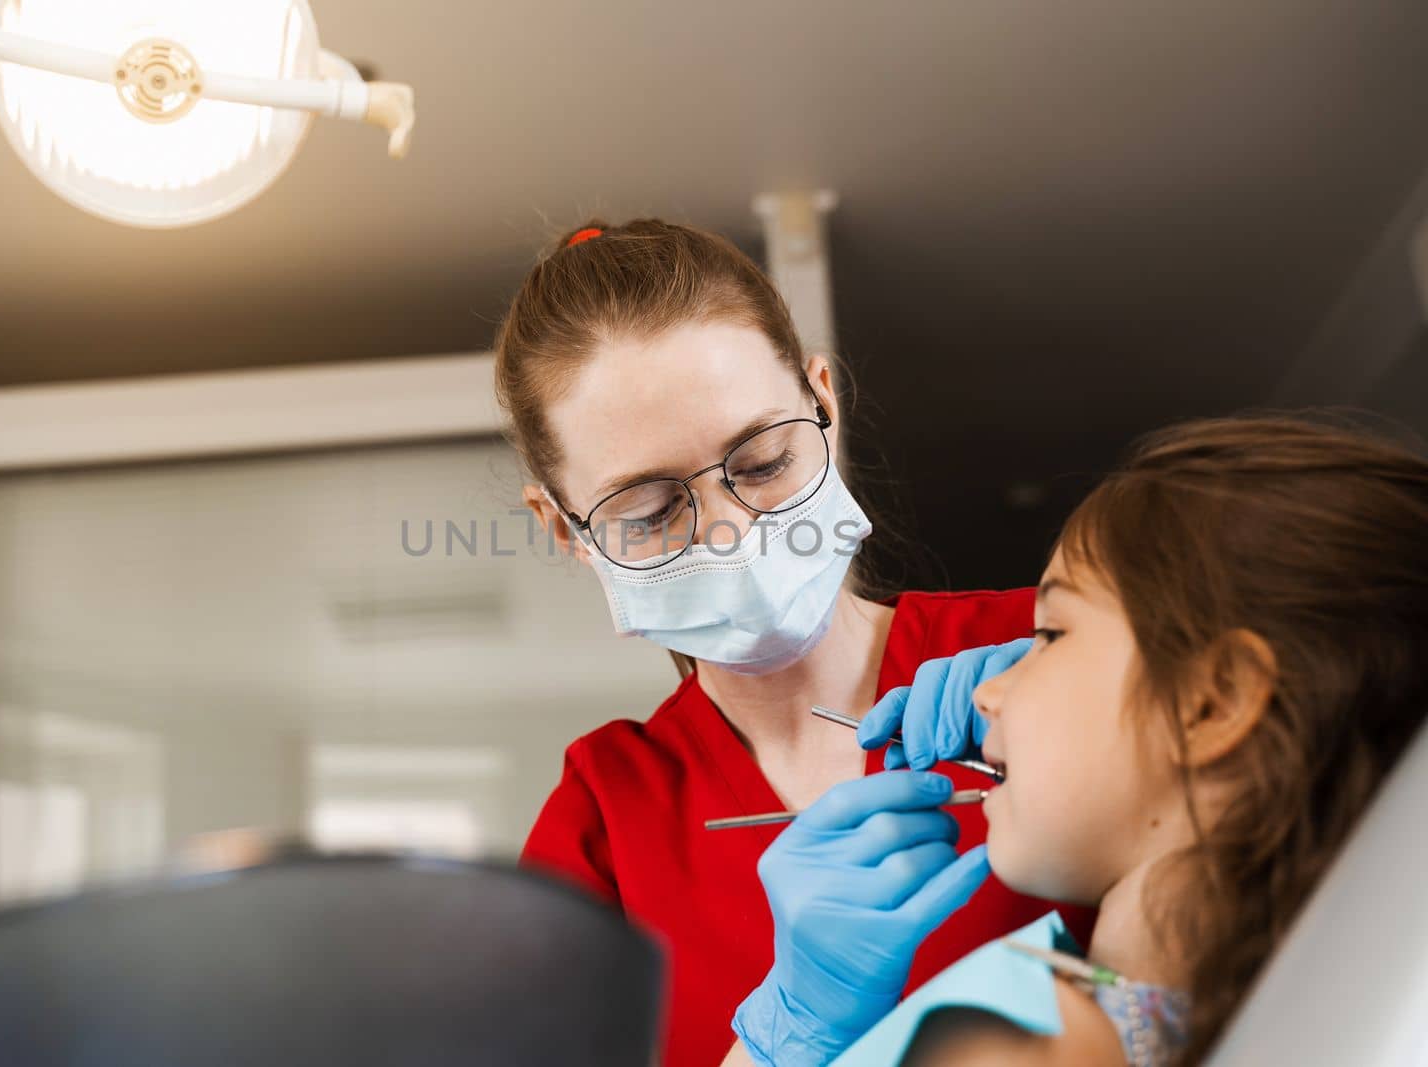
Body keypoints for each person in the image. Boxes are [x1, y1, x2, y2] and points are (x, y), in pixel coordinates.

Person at [495, 218, 1092, 1067]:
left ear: (823, 400)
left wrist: (1118, 697)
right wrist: (786, 1033)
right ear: (564, 527)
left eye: (763, 460)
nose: (734, 535)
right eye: (652, 513)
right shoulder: (603, 827)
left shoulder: (1052, 642)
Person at [728, 414, 1428, 1065]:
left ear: (1212, 702)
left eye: (1050, 634)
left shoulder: (1019, 1040)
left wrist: (786, 1034)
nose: (987, 690)